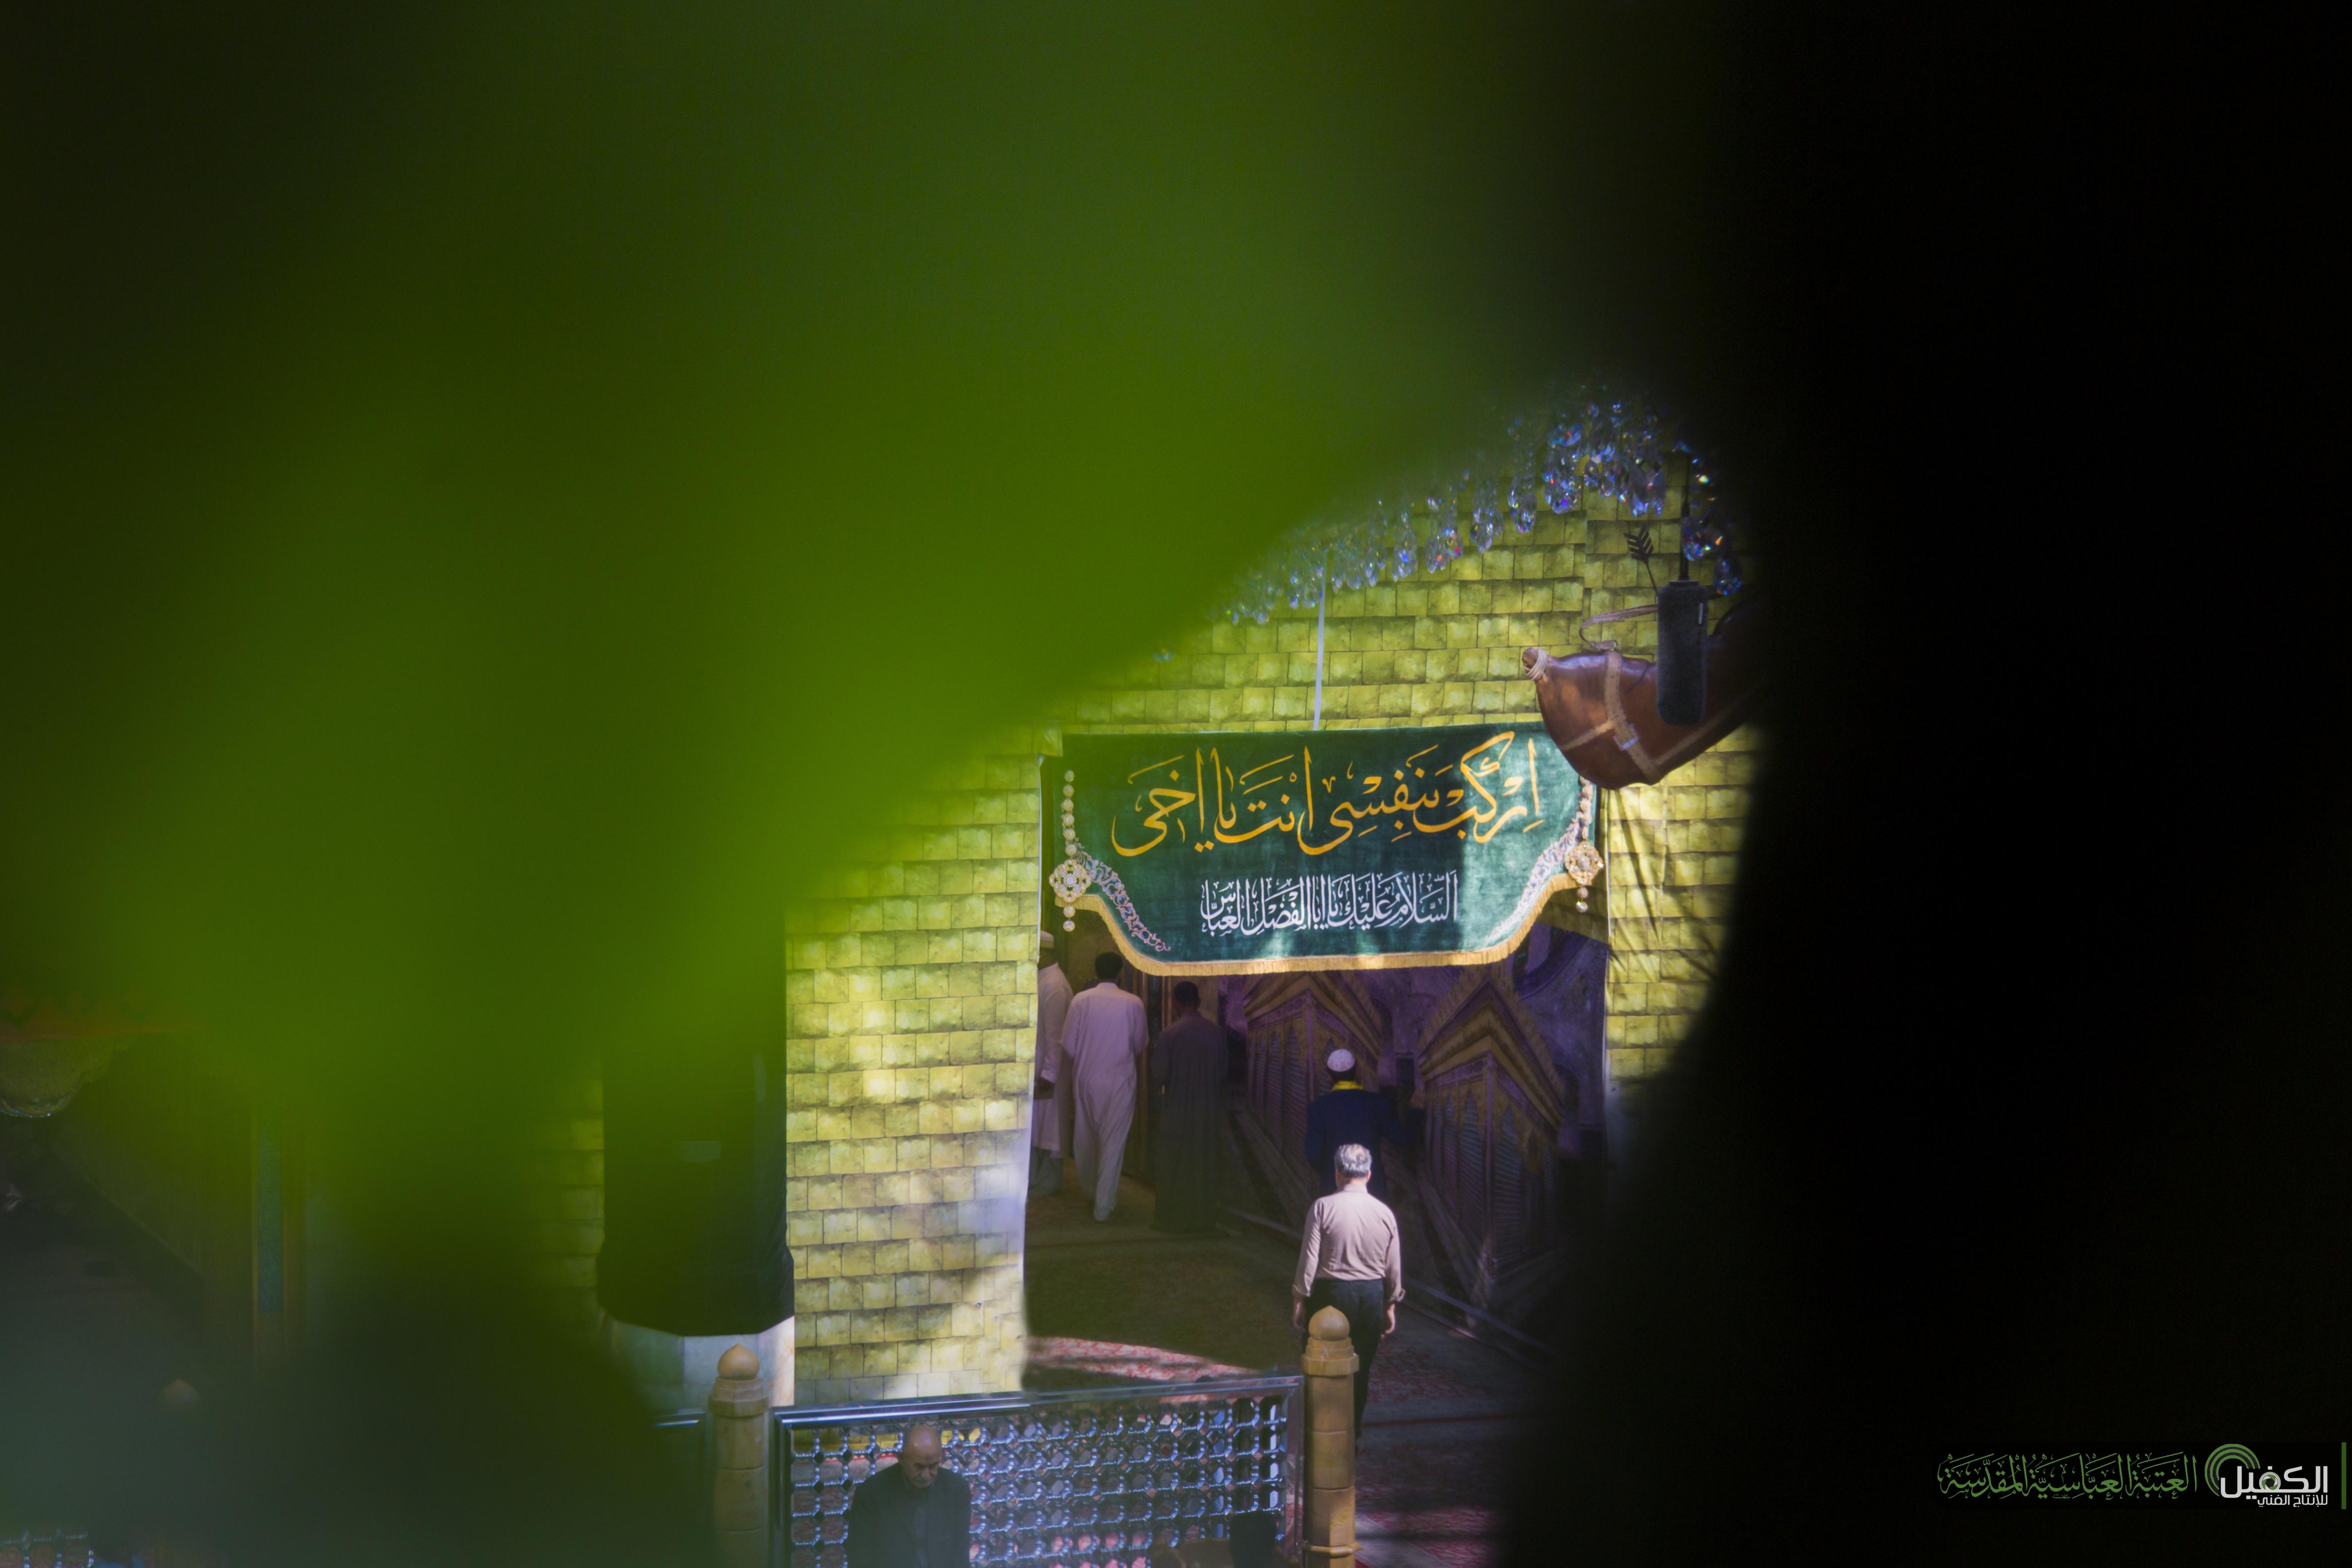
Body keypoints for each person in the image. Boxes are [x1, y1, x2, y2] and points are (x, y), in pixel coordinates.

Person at [1292, 1142, 1402, 1439]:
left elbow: (1309, 1260)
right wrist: (1390, 1305)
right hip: (1371, 1296)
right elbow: (1393, 1267)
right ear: (1369, 1175)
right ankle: (1351, 1437)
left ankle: (1319, 1436)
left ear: (1337, 1173)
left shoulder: (1322, 1208)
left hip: (1330, 1296)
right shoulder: (1385, 1213)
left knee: (1321, 1368)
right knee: (1360, 1371)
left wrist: (1300, 1298)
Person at [1063, 950, 1147, 1222]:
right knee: (1114, 1141)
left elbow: (1069, 1047)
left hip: (1087, 1076)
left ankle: (1091, 1193)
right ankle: (1103, 1205)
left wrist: (1088, 1060)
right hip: (1121, 1079)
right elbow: (1140, 1045)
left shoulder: (1080, 1001)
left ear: (1095, 972)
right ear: (1121, 973)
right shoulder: (1134, 1003)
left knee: (1085, 1137)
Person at [1149, 978, 1225, 1234]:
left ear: (1175, 1003)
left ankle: (1171, 1220)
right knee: (1204, 1163)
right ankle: (1203, 1219)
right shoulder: (1217, 1033)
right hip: (1209, 1111)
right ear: (1199, 1002)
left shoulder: (1170, 1034)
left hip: (1178, 1110)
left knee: (1174, 1163)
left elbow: (1159, 1075)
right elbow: (1224, 1072)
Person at [845, 1422, 970, 1568]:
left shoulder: (956, 1490)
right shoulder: (872, 1494)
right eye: (919, 1467)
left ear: (940, 1459)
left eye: (933, 1466)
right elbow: (860, 1558)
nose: (926, 1476)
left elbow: (960, 1555)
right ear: (902, 1459)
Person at [1302, 1048, 1421, 1201]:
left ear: (1329, 1077)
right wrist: (1417, 1111)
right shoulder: (1377, 1104)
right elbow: (1403, 1137)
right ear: (1356, 1072)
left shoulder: (1318, 1108)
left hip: (1334, 1190)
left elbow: (1313, 1154)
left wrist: (1331, 1173)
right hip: (1371, 1190)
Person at [1029, 930, 1073, 1198]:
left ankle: (1049, 1181)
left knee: (1050, 1127)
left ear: (1042, 951)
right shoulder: (1042, 979)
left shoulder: (1054, 984)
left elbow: (1056, 1036)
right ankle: (1035, 1179)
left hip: (1050, 1073)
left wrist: (1049, 1074)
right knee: (1038, 1126)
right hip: (1040, 1069)